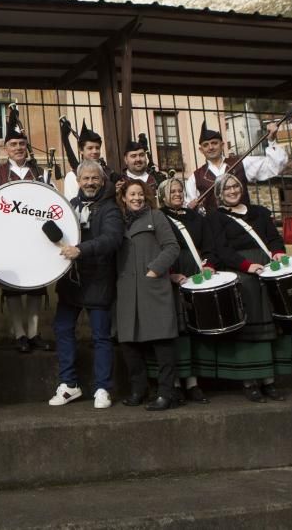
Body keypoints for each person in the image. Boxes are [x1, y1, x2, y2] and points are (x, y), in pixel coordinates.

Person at [202, 173, 292, 402]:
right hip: (242, 273)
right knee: (250, 330)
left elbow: (273, 238)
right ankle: (250, 381)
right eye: (227, 188)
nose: (232, 191)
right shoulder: (215, 218)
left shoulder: (260, 212)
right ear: (219, 193)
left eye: (235, 186)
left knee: (274, 327)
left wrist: (278, 253)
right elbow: (221, 249)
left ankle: (269, 380)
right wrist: (246, 266)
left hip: (267, 270)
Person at [48, 160, 123, 409]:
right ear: (78, 181)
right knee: (62, 328)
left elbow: (111, 239)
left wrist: (80, 250)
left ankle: (103, 388)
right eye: (85, 179)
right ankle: (69, 385)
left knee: (101, 336)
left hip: (99, 280)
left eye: (95, 179)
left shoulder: (111, 208)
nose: (90, 183)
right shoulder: (70, 206)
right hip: (72, 281)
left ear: (102, 181)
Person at [115, 178, 182, 411]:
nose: (137, 198)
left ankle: (166, 393)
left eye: (140, 194)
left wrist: (155, 270)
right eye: (131, 194)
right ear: (123, 197)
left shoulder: (156, 217)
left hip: (152, 287)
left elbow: (172, 247)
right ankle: (138, 389)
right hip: (126, 290)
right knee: (129, 343)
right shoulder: (118, 222)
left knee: (162, 341)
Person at [0, 125, 52, 353]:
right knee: (13, 287)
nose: (18, 148)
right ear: (6, 149)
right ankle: (19, 334)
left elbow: (50, 202)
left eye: (22, 144)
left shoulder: (41, 173)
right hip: (9, 238)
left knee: (35, 286)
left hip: (36, 237)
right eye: (13, 145)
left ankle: (33, 333)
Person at [158, 176, 216, 404]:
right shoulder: (159, 217)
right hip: (173, 275)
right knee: (176, 330)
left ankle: (193, 383)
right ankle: (174, 383)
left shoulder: (195, 217)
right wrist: (169, 274)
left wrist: (208, 265)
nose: (177, 194)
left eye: (180, 191)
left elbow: (208, 245)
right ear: (162, 195)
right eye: (172, 191)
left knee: (194, 329)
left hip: (195, 273)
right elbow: (156, 249)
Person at [185, 120, 287, 210]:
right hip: (215, 229)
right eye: (206, 145)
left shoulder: (242, 163)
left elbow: (274, 166)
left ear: (222, 145)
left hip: (244, 223)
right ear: (201, 150)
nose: (210, 147)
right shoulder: (195, 177)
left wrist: (272, 141)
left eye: (214, 143)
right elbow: (190, 207)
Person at [60, 119, 112, 202]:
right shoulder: (72, 176)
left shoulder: (107, 172)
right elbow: (72, 206)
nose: (94, 151)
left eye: (97, 148)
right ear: (81, 150)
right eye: (90, 148)